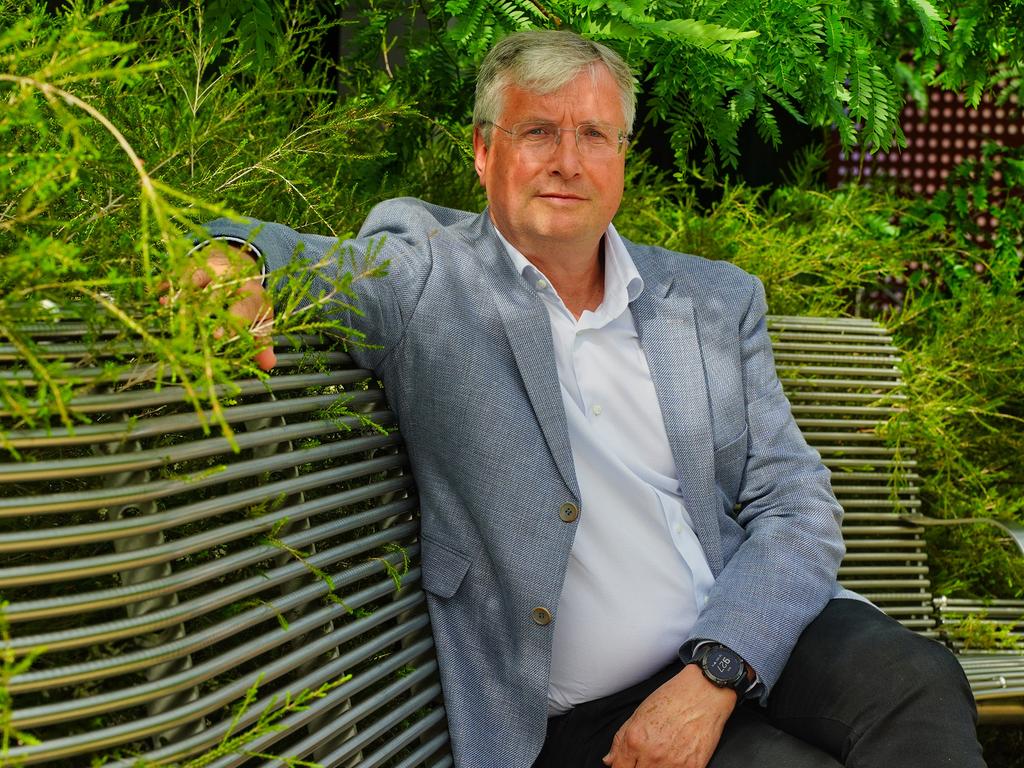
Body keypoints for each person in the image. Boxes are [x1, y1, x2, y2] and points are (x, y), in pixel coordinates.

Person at [190, 29, 984, 768]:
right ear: (481, 151)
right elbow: (276, 248)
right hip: (594, 710)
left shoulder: (710, 299)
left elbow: (796, 500)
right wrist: (226, 261)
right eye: (538, 131)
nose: (567, 160)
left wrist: (717, 670)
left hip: (750, 631)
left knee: (917, 679)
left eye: (593, 134)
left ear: (621, 157)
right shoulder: (428, 281)